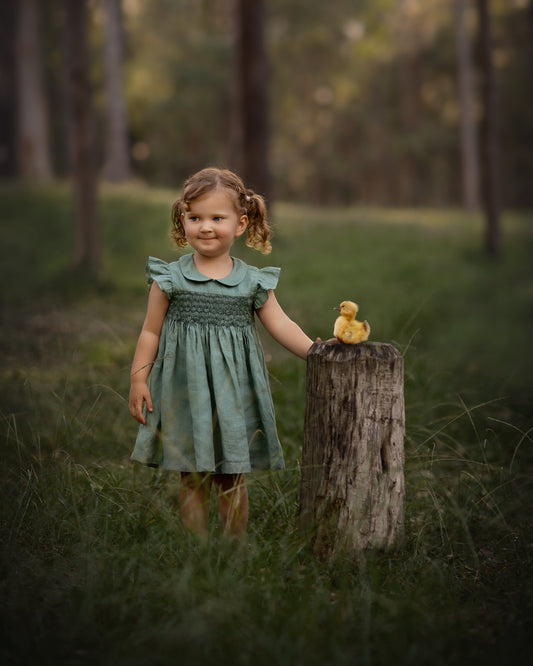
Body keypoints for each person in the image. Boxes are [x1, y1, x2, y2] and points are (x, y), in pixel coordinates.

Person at [129, 167, 314, 539]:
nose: (206, 227)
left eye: (217, 218)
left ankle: (233, 553)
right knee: (193, 476)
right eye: (195, 217)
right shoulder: (170, 279)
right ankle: (197, 555)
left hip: (234, 393)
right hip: (186, 390)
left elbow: (282, 325)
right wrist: (138, 379)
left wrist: (318, 352)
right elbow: (150, 331)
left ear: (241, 223)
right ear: (183, 218)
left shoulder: (252, 282)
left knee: (231, 477)